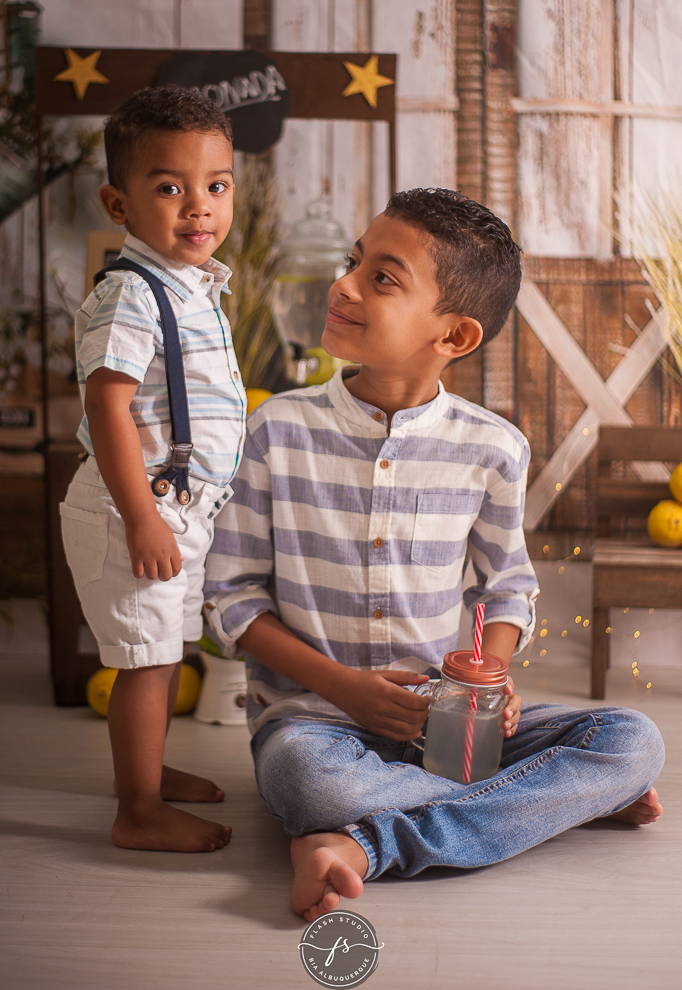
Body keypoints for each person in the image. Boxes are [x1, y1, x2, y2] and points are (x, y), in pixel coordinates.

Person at [204, 188, 664, 918]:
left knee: (632, 742)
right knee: (310, 781)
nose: (344, 284)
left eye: (382, 277)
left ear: (454, 337)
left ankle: (357, 844)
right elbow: (231, 599)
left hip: (448, 724)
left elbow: (507, 587)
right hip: (316, 722)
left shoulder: (493, 449)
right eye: (355, 261)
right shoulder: (276, 431)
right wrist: (347, 690)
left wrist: (495, 678)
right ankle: (541, 805)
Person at [61, 85, 245, 853]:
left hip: (178, 507)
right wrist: (140, 517)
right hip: (131, 505)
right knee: (144, 656)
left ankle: (147, 772)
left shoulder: (194, 288)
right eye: (170, 187)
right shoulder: (131, 294)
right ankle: (136, 811)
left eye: (215, 186)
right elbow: (109, 408)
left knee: (164, 648)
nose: (197, 207)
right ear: (119, 203)